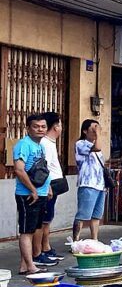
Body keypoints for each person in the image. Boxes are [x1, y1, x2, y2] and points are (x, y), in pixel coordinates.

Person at [13, 114, 51, 275]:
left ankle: (24, 265)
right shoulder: (24, 145)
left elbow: (42, 169)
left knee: (33, 229)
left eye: (43, 126)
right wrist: (33, 190)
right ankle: (30, 266)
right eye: (36, 126)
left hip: (40, 193)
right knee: (27, 231)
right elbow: (19, 170)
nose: (40, 129)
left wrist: (48, 188)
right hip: (27, 195)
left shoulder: (40, 146)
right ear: (28, 128)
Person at [36, 112, 65, 265]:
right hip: (48, 187)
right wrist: (47, 187)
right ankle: (39, 252)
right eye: (60, 124)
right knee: (44, 220)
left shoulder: (50, 143)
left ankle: (46, 248)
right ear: (55, 126)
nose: (61, 128)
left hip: (52, 186)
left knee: (48, 219)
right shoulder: (45, 144)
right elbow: (43, 167)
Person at [74, 119, 107, 242]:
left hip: (100, 185)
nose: (95, 131)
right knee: (82, 215)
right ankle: (75, 241)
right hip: (88, 184)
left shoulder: (97, 147)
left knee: (96, 216)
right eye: (93, 129)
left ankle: (95, 239)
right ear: (85, 131)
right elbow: (97, 147)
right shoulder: (81, 144)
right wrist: (98, 133)